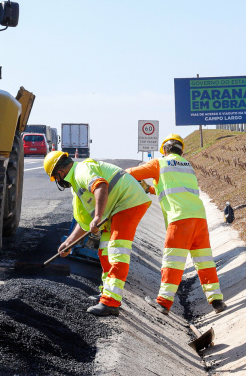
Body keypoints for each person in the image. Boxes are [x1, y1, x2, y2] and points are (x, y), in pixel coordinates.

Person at [125, 134, 226, 315]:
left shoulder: (159, 163)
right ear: (182, 150)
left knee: (173, 261)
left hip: (179, 219)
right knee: (205, 261)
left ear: (164, 150)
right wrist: (149, 188)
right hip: (199, 218)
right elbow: (173, 188)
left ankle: (163, 302)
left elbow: (130, 174)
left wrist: (123, 175)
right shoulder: (187, 166)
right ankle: (217, 300)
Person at [44, 151, 152, 316]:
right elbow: (84, 222)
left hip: (128, 202)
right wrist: (68, 243)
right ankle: (106, 293)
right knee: (104, 251)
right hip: (115, 210)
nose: (58, 181)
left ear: (59, 173)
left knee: (117, 252)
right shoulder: (76, 187)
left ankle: (111, 303)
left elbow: (100, 185)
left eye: (56, 178)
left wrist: (98, 217)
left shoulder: (81, 171)